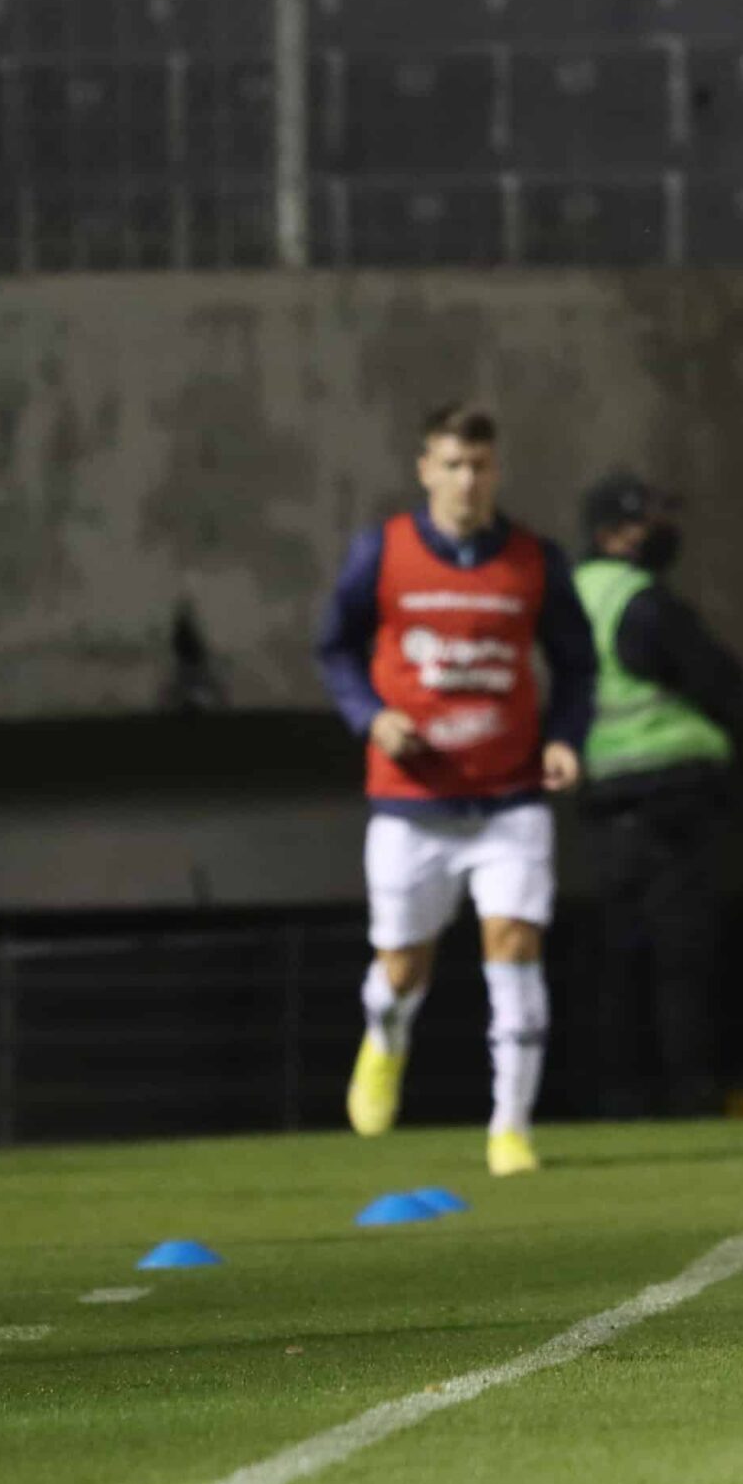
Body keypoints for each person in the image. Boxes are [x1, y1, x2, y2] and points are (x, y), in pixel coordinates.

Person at [315, 404, 596, 1176]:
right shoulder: (383, 551)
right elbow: (334, 647)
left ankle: (511, 1128)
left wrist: (566, 736)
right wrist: (370, 717)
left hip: (511, 796)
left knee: (516, 946)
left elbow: (576, 662)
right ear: (425, 469)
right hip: (413, 800)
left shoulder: (534, 559)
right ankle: (386, 1036)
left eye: (480, 466)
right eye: (453, 465)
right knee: (404, 966)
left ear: (496, 471)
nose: (467, 480)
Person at [574, 474, 743, 1117]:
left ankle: (620, 1098)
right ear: (612, 534)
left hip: (604, 800)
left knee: (618, 958)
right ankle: (691, 1092)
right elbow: (720, 681)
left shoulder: (572, 596)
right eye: (647, 521)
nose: (663, 532)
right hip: (671, 800)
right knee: (682, 956)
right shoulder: (640, 602)